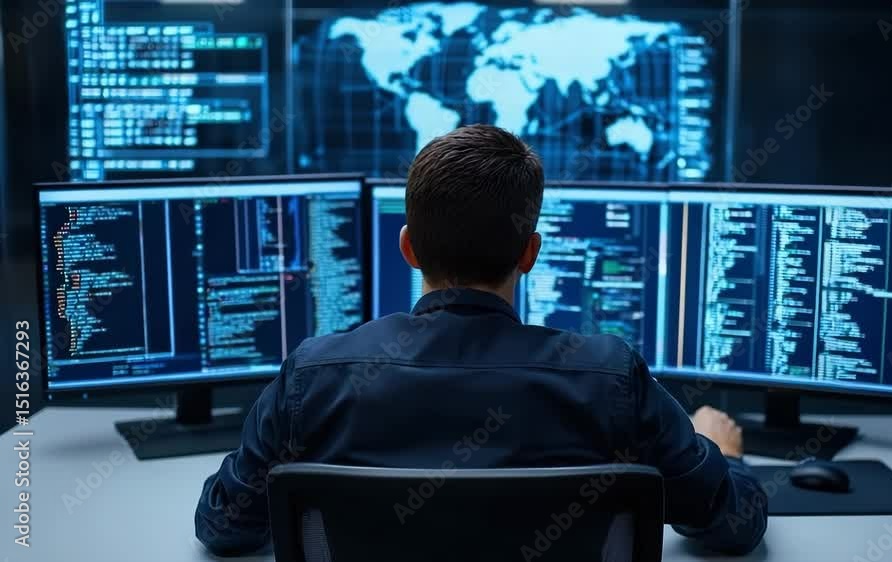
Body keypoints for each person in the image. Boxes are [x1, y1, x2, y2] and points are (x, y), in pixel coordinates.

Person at [194, 124, 767, 556]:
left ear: (408, 248)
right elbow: (732, 526)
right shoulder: (609, 377)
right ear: (530, 254)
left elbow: (224, 527)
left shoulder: (315, 376)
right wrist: (729, 458)